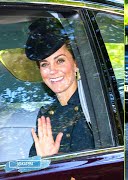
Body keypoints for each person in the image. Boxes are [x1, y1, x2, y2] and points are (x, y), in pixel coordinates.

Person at [25, 18, 94, 157]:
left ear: (76, 64)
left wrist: (50, 160)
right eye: (44, 64)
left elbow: (93, 168)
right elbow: (30, 167)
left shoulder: (93, 109)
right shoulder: (46, 114)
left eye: (60, 60)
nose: (52, 70)